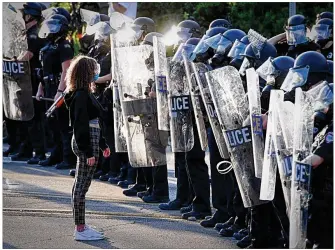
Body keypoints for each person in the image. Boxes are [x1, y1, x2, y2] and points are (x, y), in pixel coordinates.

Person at [63, 55, 110, 241]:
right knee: (82, 187)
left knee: (80, 186)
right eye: (93, 70)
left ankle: (81, 225)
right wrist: (89, 151)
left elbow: (93, 121)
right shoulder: (81, 95)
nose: (96, 73)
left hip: (91, 139)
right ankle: (80, 228)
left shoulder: (81, 93)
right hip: (87, 141)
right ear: (86, 73)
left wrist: (102, 144)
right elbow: (81, 124)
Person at [36, 13, 76, 169]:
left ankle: (68, 158)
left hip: (59, 87)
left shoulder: (64, 46)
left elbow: (66, 71)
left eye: (54, 27)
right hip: (48, 87)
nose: (51, 30)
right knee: (51, 123)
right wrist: (41, 89)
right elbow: (44, 72)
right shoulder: (47, 46)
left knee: (63, 124)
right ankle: (55, 155)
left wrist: (60, 91)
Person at [9, 3, 47, 164]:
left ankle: (38, 152)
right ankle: (25, 149)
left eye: (24, 14)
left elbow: (26, 56)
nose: (22, 17)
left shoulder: (34, 35)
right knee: (25, 119)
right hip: (24, 81)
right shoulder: (26, 33)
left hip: (32, 81)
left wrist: (11, 61)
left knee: (33, 120)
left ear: (30, 16)